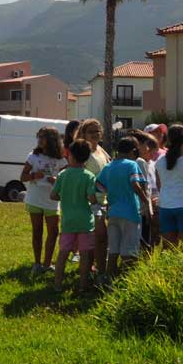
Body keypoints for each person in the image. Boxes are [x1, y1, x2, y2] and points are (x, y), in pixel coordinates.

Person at [96, 137, 149, 278]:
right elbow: (135, 184)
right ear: (133, 151)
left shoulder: (108, 166)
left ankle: (108, 278)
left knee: (113, 249)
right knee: (130, 250)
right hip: (131, 213)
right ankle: (128, 280)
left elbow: (99, 186)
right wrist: (146, 201)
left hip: (113, 212)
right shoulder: (132, 164)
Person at [51, 140, 97, 293]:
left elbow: (53, 195)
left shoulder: (62, 175)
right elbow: (92, 199)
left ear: (70, 155)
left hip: (68, 222)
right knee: (84, 255)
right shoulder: (89, 176)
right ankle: (83, 285)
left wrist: (65, 197)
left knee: (63, 254)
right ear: (87, 158)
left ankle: (57, 285)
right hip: (85, 222)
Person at [21, 127, 65, 275]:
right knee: (37, 231)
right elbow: (23, 177)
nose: (39, 140)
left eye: (42, 137)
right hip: (34, 199)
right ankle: (37, 263)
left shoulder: (60, 159)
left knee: (53, 232)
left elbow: (67, 177)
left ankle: (47, 264)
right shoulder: (33, 156)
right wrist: (33, 175)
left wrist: (57, 180)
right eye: (38, 137)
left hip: (52, 200)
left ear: (52, 140)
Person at [77, 119, 111, 281]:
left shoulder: (101, 150)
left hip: (103, 200)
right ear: (83, 134)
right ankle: (98, 272)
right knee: (99, 237)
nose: (95, 134)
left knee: (99, 238)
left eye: (97, 131)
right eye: (91, 131)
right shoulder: (83, 152)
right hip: (89, 201)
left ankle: (95, 269)